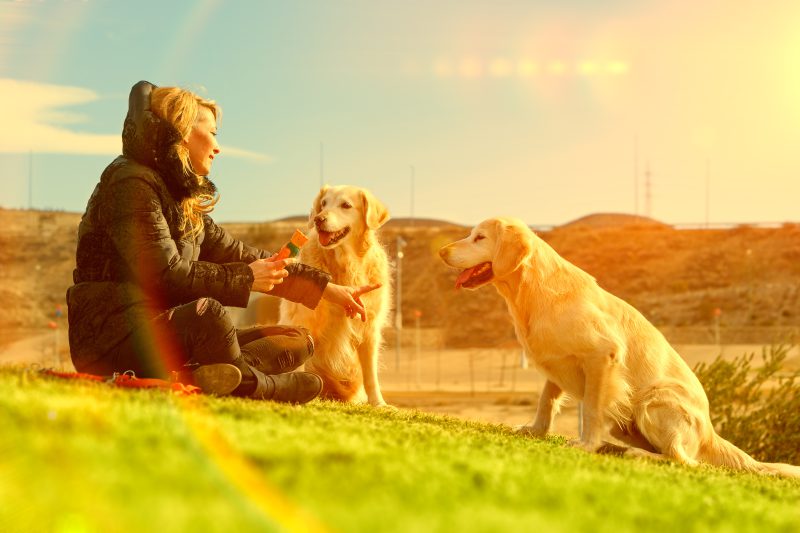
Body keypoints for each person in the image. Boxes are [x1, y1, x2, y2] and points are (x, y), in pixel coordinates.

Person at [66, 80, 378, 404]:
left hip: (169, 334)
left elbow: (243, 254)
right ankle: (257, 385)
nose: (218, 146)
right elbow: (165, 273)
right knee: (209, 315)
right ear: (182, 132)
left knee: (295, 338)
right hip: (114, 339)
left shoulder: (182, 198)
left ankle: (203, 376)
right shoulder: (131, 181)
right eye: (212, 132)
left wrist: (328, 290)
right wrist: (247, 278)